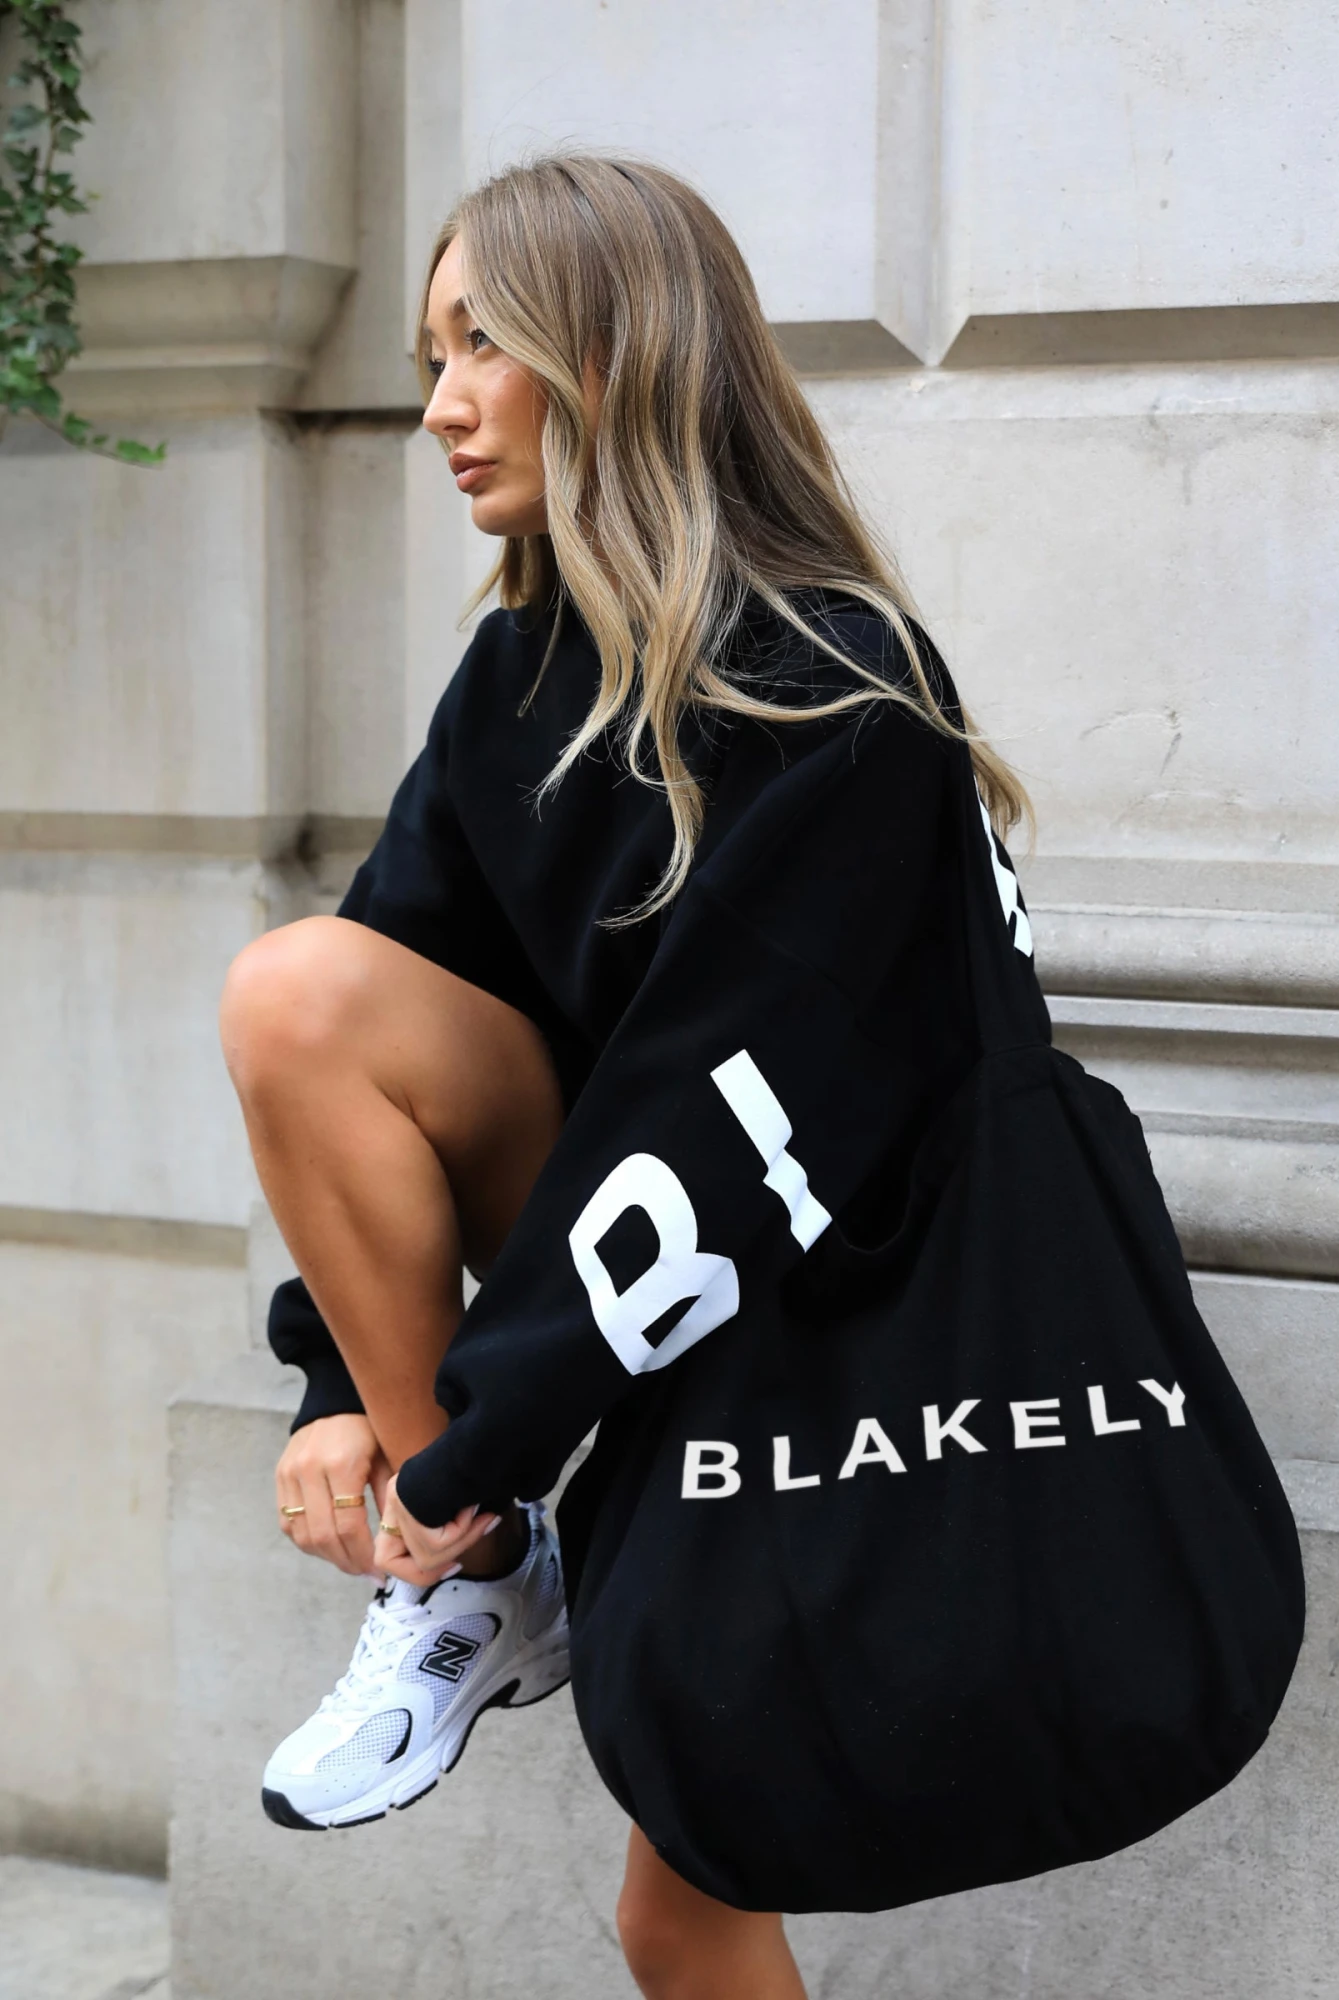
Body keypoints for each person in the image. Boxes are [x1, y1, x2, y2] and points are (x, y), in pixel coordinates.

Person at [219, 154, 1028, 2000]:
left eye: (482, 346)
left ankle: (468, 1536)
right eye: (433, 357)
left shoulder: (837, 686)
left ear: (617, 353)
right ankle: (478, 1565)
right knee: (301, 992)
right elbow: (388, 995)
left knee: (679, 1910)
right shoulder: (519, 679)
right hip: (639, 1298)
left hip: (843, 1333)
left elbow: (724, 1114)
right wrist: (347, 1393)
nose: (440, 407)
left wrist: (466, 1439)